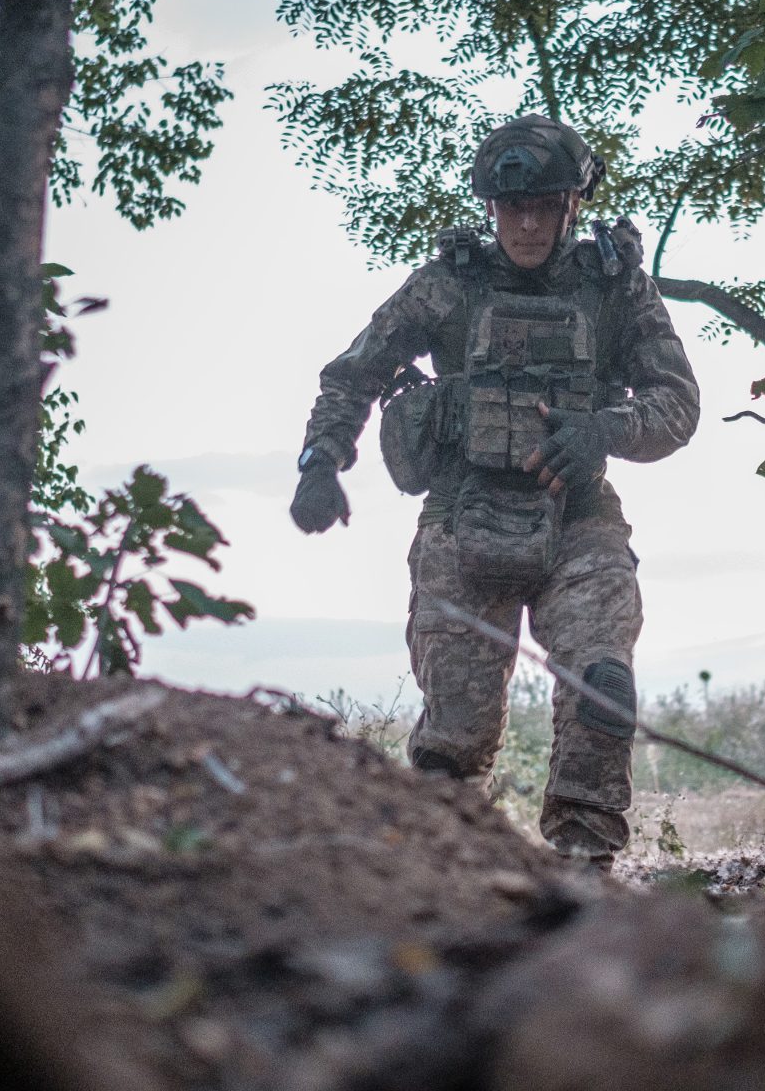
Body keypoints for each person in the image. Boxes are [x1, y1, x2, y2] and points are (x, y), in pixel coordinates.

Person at [289, 113, 699, 865]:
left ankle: (583, 869)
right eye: (513, 208)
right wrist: (321, 460)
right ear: (490, 207)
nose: (528, 224)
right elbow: (356, 372)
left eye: (545, 206)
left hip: (578, 521)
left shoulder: (615, 288)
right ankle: (443, 877)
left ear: (573, 205)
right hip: (460, 518)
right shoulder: (451, 284)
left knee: (602, 682)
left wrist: (602, 432)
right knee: (456, 733)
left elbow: (678, 406)